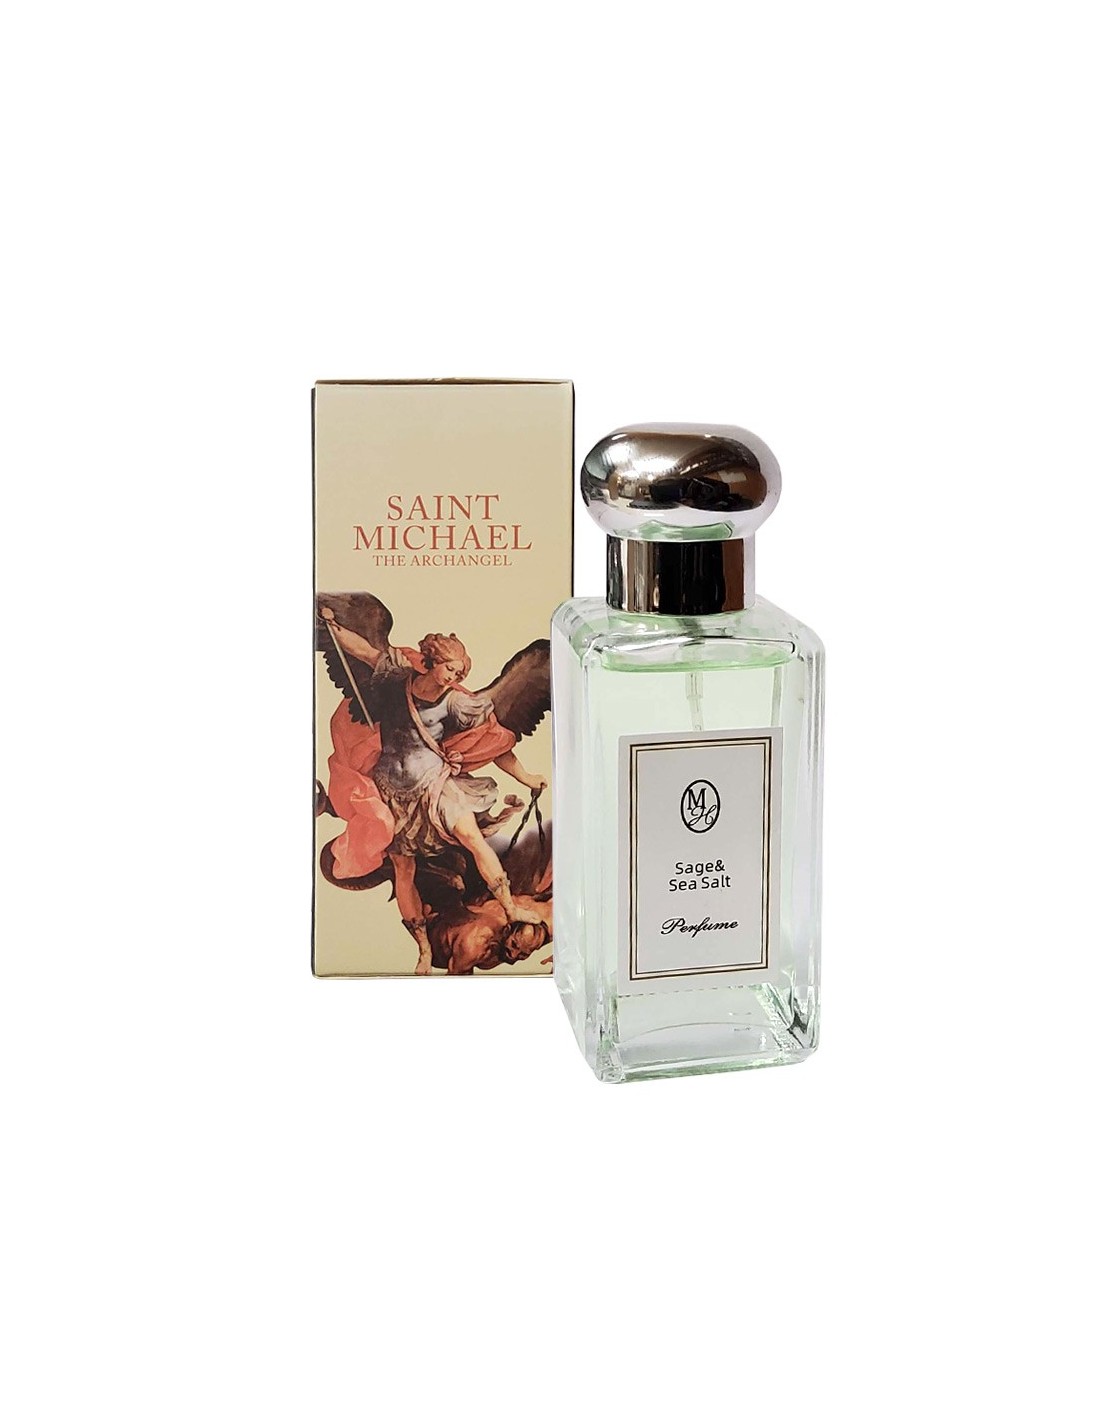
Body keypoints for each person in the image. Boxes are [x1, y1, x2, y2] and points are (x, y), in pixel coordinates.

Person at [320, 607, 547, 974]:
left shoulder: (457, 702)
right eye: (451, 670)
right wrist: (332, 625)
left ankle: (510, 907)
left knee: (472, 838)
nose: (456, 678)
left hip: (436, 786)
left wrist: (526, 777)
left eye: (461, 673)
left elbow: (494, 742)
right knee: (404, 869)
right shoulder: (396, 678)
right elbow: (362, 651)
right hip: (392, 792)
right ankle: (424, 947)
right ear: (431, 662)